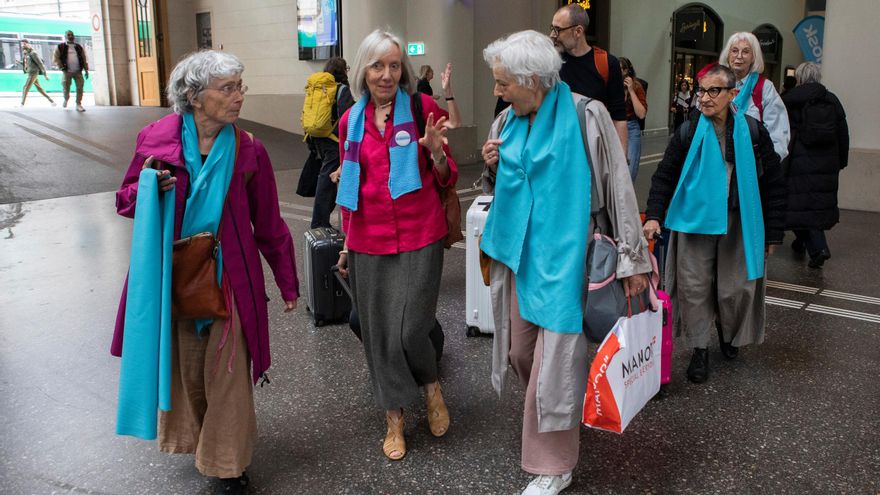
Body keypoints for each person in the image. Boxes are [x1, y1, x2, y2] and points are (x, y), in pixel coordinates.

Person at [112, 50, 299, 494]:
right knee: (189, 371)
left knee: (228, 374)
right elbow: (123, 200)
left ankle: (226, 464)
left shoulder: (250, 149)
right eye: (228, 88)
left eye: (240, 87)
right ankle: (199, 443)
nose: (239, 97)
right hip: (173, 277)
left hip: (230, 279)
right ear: (194, 96)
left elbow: (269, 223)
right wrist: (148, 188)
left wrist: (287, 282)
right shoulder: (155, 141)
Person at [480, 30, 652, 495]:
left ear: (532, 79)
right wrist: (492, 163)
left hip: (568, 259)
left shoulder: (585, 114)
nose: (497, 91)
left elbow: (618, 185)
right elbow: (498, 182)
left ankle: (554, 465)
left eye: (502, 84)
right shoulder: (507, 122)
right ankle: (558, 411)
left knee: (551, 368)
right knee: (521, 354)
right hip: (520, 257)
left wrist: (634, 262)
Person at [333, 29, 458, 462]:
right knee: (379, 336)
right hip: (368, 239)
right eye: (377, 65)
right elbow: (350, 193)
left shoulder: (423, 108)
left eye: (393, 65)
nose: (386, 74)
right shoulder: (350, 122)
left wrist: (437, 154)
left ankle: (430, 385)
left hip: (421, 233)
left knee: (409, 329)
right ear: (363, 71)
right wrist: (347, 246)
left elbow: (447, 177)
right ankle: (394, 418)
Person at [643, 64, 786, 384]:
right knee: (694, 289)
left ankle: (728, 332)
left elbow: (774, 183)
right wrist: (653, 214)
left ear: (733, 94)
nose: (704, 98)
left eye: (713, 91)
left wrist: (774, 231)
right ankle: (699, 349)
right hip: (694, 223)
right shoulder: (688, 132)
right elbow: (664, 176)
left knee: (735, 290)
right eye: (700, 91)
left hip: (738, 222)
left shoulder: (752, 131)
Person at [782, 62, 849, 269]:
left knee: (798, 205)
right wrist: (841, 161)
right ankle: (801, 243)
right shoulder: (832, 100)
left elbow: (783, 132)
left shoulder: (790, 101)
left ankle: (818, 249)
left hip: (798, 162)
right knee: (811, 206)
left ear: (800, 78)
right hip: (827, 162)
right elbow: (843, 134)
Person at [551, 3, 628, 151]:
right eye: (552, 28)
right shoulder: (551, 63)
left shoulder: (607, 63)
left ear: (578, 31)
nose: (552, 35)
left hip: (594, 150)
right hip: (559, 150)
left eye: (558, 30)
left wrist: (621, 164)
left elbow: (618, 117)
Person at [719, 32, 790, 161]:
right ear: (728, 55)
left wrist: (767, 164)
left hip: (751, 163)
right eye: (734, 51)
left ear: (753, 58)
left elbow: (778, 132)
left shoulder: (764, 87)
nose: (739, 56)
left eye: (746, 52)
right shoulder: (716, 84)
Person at [308, 56, 355, 228]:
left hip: (319, 138)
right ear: (342, 71)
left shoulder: (321, 88)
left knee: (325, 179)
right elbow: (346, 118)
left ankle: (321, 220)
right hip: (334, 140)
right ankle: (319, 223)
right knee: (327, 181)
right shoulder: (342, 90)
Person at [619, 57, 647, 180]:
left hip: (631, 128)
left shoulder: (637, 87)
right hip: (614, 127)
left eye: (618, 68)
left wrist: (630, 90)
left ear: (626, 71)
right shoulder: (611, 85)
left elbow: (641, 114)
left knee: (629, 174)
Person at [53, 30, 89, 112]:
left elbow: (83, 58)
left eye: (72, 35)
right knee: (66, 87)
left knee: (80, 87)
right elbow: (56, 58)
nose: (70, 36)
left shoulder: (78, 47)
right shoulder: (61, 47)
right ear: (66, 36)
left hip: (78, 71)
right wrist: (61, 67)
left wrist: (86, 69)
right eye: (68, 35)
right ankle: (66, 99)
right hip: (67, 71)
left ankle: (78, 104)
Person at [20, 39, 55, 107]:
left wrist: (45, 75)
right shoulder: (27, 53)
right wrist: (20, 62)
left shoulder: (33, 53)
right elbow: (28, 63)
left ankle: (22, 104)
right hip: (30, 72)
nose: (22, 45)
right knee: (39, 89)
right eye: (22, 44)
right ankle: (52, 101)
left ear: (28, 44)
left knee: (25, 87)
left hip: (33, 73)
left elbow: (40, 64)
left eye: (24, 44)